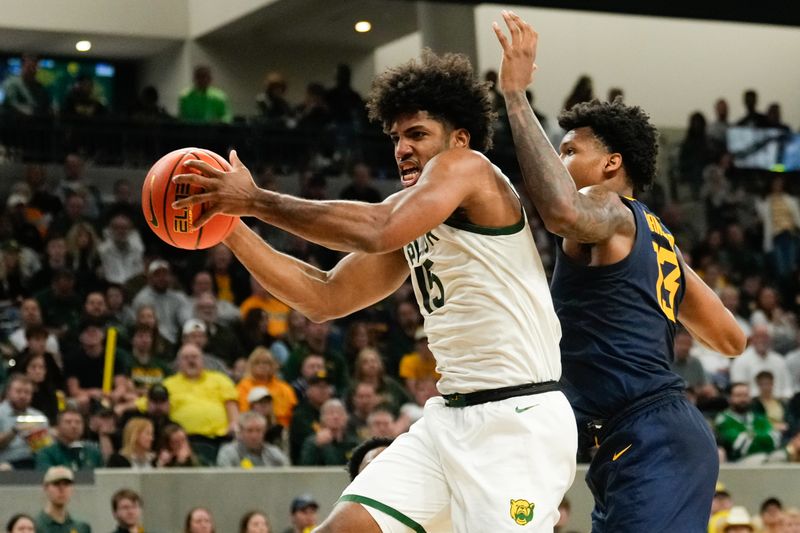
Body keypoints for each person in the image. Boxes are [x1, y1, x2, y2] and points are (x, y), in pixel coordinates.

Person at [173, 45, 576, 531]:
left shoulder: (468, 169)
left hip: (519, 420)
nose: (402, 147)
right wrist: (228, 222)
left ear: (460, 139)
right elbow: (325, 296)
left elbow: (379, 226)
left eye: (417, 134)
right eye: (396, 136)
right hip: (450, 419)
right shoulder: (412, 216)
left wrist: (256, 199)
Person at [493, 11, 746, 532]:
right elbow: (731, 338)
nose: (560, 161)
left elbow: (562, 210)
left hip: (649, 434)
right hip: (646, 437)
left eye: (570, 151)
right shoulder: (660, 240)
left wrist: (516, 99)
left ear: (611, 165)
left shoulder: (601, 203)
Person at [35, 466, 91, 533]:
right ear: (45, 487)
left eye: (66, 484)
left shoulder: (81, 528)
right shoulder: (35, 526)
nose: (62, 489)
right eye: (56, 483)